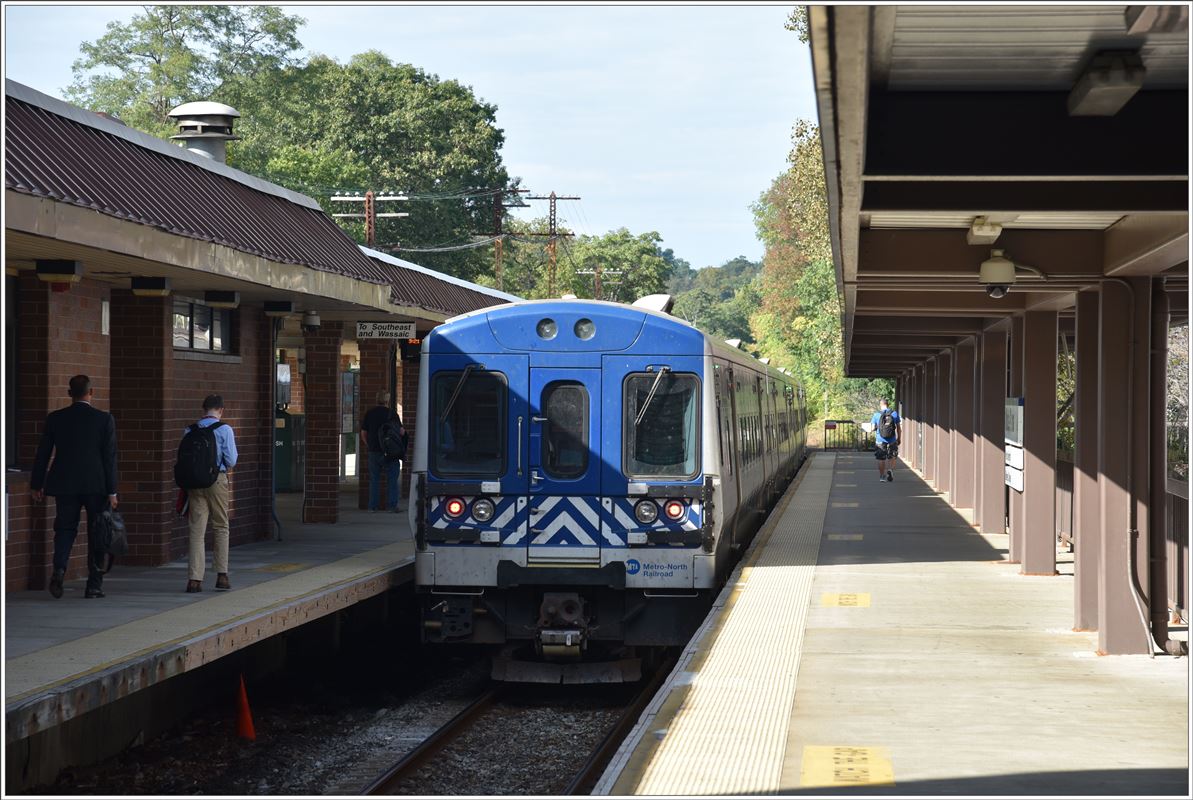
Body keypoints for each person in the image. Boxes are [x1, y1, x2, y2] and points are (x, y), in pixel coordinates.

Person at [30, 375, 118, 599]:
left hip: (65, 483)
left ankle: (59, 569)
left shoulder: (56, 419)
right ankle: (94, 585)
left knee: (64, 529)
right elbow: (109, 458)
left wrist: (37, 483)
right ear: (92, 392)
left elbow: (43, 454)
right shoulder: (104, 419)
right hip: (95, 485)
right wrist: (112, 491)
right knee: (97, 533)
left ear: (70, 394)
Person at [184, 394, 238, 593]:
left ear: (203, 409)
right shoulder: (225, 429)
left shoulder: (190, 430)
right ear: (221, 410)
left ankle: (194, 579)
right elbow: (231, 460)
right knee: (221, 526)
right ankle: (222, 575)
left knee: (196, 530)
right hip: (217, 480)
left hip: (195, 483)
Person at [360, 391, 404, 513]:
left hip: (374, 450)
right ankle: (392, 506)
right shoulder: (392, 413)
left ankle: (372, 506)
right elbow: (401, 432)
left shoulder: (370, 413)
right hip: (390, 452)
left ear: (377, 399)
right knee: (392, 479)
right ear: (387, 400)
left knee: (374, 479)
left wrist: (369, 445)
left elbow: (363, 433)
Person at [871, 398, 902, 483]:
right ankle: (890, 470)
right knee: (893, 456)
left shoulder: (876, 415)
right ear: (888, 404)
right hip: (892, 439)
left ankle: (882, 477)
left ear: (881, 405)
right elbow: (899, 428)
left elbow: (872, 428)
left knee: (881, 459)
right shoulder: (894, 413)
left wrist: (875, 429)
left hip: (880, 439)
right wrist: (899, 438)